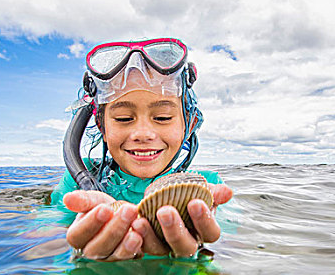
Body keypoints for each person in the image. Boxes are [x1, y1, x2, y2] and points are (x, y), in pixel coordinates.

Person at [51, 38, 233, 261]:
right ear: (103, 128)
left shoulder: (209, 186)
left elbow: (229, 248)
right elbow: (46, 237)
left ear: (190, 124)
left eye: (163, 117)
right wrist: (79, 254)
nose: (143, 133)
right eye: (124, 118)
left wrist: (195, 255)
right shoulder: (79, 181)